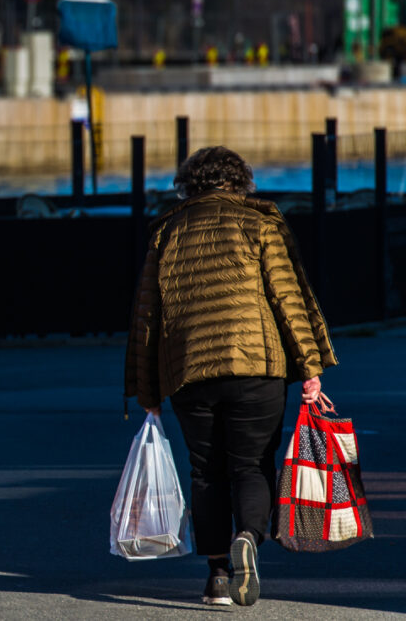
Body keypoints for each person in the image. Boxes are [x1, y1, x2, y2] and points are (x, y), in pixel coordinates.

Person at [124, 146, 337, 607]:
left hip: (187, 370)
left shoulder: (166, 231)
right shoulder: (260, 222)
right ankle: (248, 536)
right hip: (256, 365)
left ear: (189, 185)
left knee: (206, 472)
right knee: (252, 463)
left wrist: (146, 389)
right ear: (241, 181)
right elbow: (288, 298)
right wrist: (310, 369)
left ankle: (218, 576)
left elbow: (147, 315)